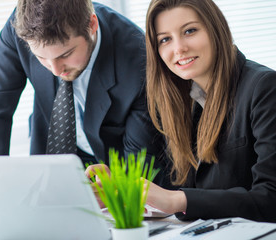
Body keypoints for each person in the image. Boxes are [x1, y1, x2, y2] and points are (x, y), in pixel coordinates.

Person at [86, 0, 276, 222]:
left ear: (216, 28)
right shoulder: (180, 100)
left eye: (190, 31)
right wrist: (124, 190)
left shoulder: (264, 88)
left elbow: (270, 198)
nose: (178, 49)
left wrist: (177, 200)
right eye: (165, 39)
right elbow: (183, 189)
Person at [0, 0, 170, 186]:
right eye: (41, 58)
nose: (56, 70)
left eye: (65, 55)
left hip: (114, 166)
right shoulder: (20, 27)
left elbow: (141, 168)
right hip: (52, 153)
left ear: (92, 25)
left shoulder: (140, 61)